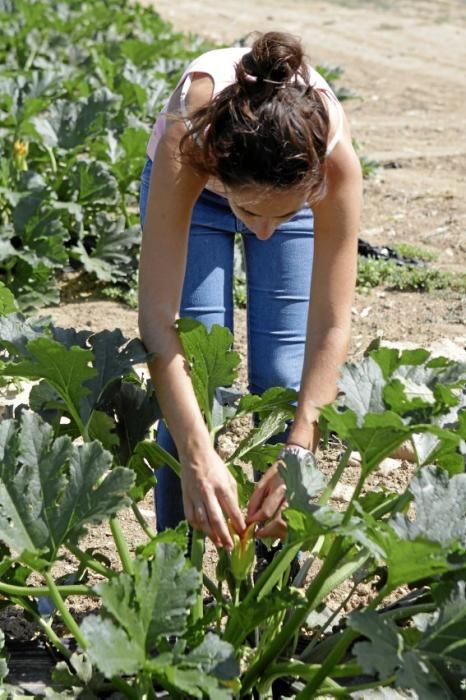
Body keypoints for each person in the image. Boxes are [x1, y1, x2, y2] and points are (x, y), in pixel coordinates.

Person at [138, 31, 362, 551]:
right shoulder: (190, 135)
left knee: (283, 380)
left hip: (275, 183)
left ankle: (268, 576)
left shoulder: (333, 163)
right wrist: (197, 455)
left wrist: (301, 449)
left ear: (314, 185)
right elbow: (157, 321)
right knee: (194, 383)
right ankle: (175, 581)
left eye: (281, 216)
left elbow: (330, 325)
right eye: (252, 214)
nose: (264, 232)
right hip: (198, 193)